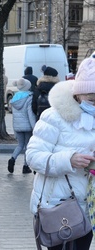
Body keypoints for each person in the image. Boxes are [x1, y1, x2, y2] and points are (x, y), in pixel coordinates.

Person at [26, 56, 95, 250]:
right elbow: (33, 156)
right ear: (78, 94)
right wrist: (69, 160)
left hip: (90, 208)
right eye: (91, 99)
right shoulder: (54, 117)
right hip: (60, 207)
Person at [7, 78, 36, 174]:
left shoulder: (14, 99)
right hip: (27, 126)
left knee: (20, 145)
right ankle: (25, 166)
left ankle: (12, 159)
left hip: (17, 126)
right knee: (27, 146)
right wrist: (34, 128)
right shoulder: (28, 97)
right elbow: (30, 114)